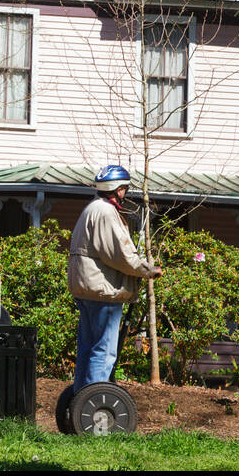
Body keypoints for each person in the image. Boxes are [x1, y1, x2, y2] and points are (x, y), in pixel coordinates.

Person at [69, 165, 163, 394]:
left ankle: (79, 401)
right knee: (104, 350)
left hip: (87, 288)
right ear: (117, 189)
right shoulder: (106, 212)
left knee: (88, 349)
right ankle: (95, 404)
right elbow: (120, 255)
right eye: (124, 188)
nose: (125, 192)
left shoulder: (92, 208)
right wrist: (149, 270)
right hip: (104, 291)